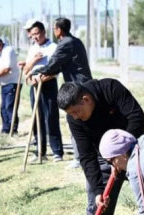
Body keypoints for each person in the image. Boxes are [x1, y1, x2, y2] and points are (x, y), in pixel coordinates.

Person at [57, 79, 144, 215]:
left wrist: (123, 152)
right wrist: (98, 189)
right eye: (70, 115)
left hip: (133, 147)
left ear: (86, 99)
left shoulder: (110, 89)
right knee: (98, 206)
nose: (75, 118)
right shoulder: (75, 120)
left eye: (76, 112)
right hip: (102, 157)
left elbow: (138, 118)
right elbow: (86, 155)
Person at [30, 17, 93, 169]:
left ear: (59, 29)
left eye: (54, 28)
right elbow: (58, 66)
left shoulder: (65, 43)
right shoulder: (74, 41)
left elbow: (52, 66)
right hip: (84, 85)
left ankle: (80, 158)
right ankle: (87, 156)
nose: (53, 31)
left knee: (75, 120)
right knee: (84, 121)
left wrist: (35, 72)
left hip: (78, 88)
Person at [23, 21, 64, 162]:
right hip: (34, 86)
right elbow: (26, 69)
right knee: (36, 118)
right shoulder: (32, 48)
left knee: (51, 117)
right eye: (32, 34)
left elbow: (55, 71)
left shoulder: (53, 47)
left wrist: (41, 79)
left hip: (48, 85)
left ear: (43, 32)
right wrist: (33, 62)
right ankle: (40, 151)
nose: (35, 37)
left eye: (37, 33)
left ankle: (57, 151)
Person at [0, 34, 21, 135]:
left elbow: (6, 69)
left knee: (9, 107)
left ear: (0, 43)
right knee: (3, 107)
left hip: (13, 82)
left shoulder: (8, 50)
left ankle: (13, 129)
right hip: (4, 83)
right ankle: (5, 129)